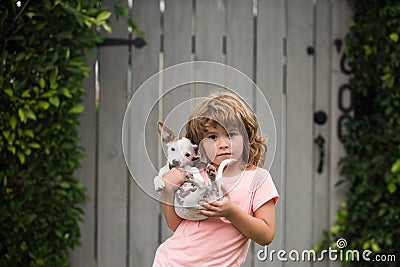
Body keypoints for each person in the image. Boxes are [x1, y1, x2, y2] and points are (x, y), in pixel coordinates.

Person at [153, 91, 279, 266]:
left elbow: (266, 235)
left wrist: (230, 212)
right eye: (212, 137)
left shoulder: (257, 179)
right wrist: (168, 190)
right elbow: (176, 225)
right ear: (199, 144)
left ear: (247, 137)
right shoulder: (195, 174)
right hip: (171, 262)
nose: (223, 144)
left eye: (231, 134)